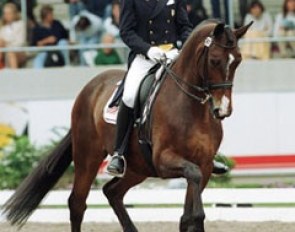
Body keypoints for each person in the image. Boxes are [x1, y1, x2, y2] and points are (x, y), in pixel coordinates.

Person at [107, 0, 229, 177]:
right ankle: (119, 154)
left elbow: (185, 27)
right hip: (145, 58)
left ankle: (209, 153)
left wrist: (184, 48)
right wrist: (149, 50)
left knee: (200, 87)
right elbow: (126, 32)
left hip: (173, 55)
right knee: (130, 96)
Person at [0, 2, 26, 69]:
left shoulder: (20, 25)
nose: (7, 15)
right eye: (5, 13)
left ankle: (15, 75)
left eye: (9, 13)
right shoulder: (3, 28)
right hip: (5, 53)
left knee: (11, 53)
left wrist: (6, 43)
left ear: (14, 14)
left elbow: (20, 42)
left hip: (19, 52)